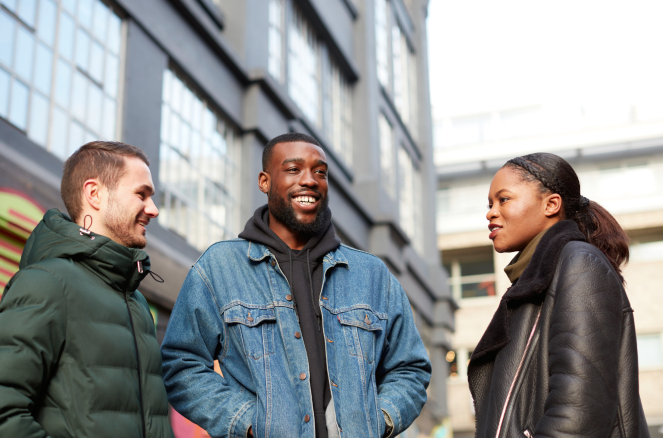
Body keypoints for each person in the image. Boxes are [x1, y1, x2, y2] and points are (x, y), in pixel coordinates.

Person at [161, 133, 431, 438]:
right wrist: (248, 422)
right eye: (293, 170)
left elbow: (410, 368)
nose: (310, 180)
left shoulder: (372, 275)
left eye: (320, 172)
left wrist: (378, 420)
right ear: (265, 181)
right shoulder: (219, 268)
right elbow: (181, 364)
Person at [0, 141, 174, 438]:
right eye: (142, 194)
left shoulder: (137, 302)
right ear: (94, 194)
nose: (152, 210)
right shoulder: (47, 283)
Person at [469, 152, 649, 438]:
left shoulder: (579, 264)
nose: (491, 212)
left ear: (551, 204)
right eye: (489, 204)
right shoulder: (532, 281)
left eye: (504, 199)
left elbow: (580, 407)